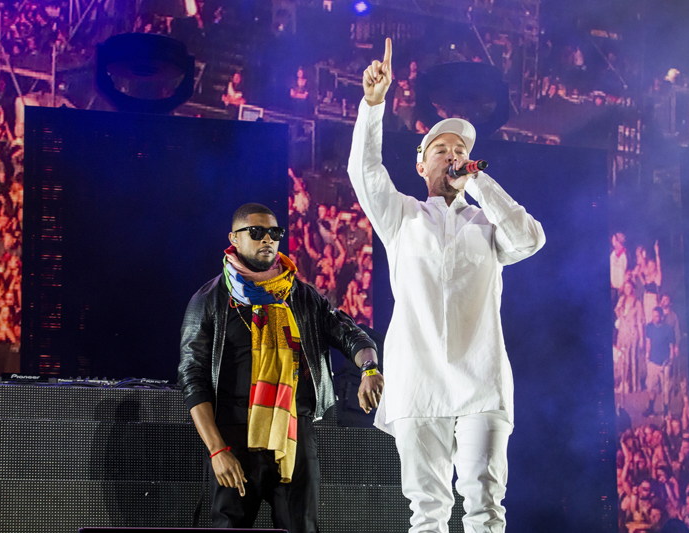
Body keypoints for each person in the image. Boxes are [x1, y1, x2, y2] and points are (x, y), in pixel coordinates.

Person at [348, 38, 546, 532]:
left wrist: (478, 181)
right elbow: (364, 172)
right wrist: (373, 105)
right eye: (442, 149)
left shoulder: (485, 224)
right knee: (428, 511)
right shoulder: (403, 217)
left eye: (461, 151)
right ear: (421, 165)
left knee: (485, 506)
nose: (453, 155)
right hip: (418, 379)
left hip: (481, 377)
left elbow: (530, 239)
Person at [178, 203, 383, 532]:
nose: (268, 239)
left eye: (274, 233)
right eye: (256, 232)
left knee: (301, 528)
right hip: (234, 435)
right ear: (234, 238)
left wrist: (369, 369)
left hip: (294, 434)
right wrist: (217, 450)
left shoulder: (302, 296)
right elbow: (192, 379)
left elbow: (351, 334)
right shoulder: (209, 300)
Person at [643, 307, 675, 417]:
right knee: (651, 386)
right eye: (653, 316)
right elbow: (648, 342)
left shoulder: (669, 329)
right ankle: (650, 408)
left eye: (656, 316)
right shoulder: (649, 327)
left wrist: (670, 360)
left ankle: (666, 410)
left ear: (661, 317)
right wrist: (647, 355)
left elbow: (671, 347)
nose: (654, 318)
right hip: (653, 361)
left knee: (666, 388)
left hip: (665, 362)